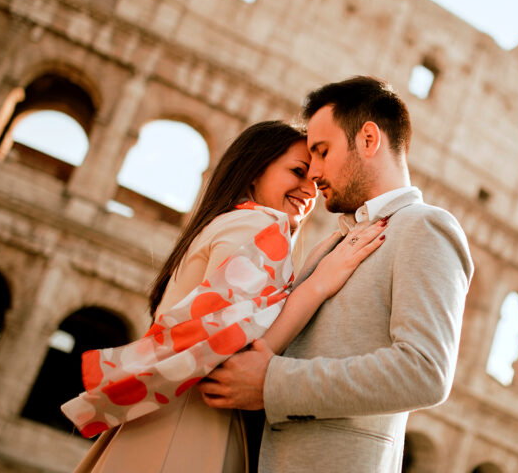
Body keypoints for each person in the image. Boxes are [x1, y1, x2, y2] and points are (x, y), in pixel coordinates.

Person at [63, 120, 387, 473]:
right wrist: (319, 284)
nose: (309, 189)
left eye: (314, 179)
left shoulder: (226, 223)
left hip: (162, 422)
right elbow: (231, 351)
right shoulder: (260, 225)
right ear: (253, 172)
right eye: (297, 171)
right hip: (191, 430)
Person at [198, 76, 475, 472]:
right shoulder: (327, 246)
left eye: (322, 151)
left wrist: (273, 383)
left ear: (367, 139)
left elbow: (425, 370)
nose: (313, 172)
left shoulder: (425, 228)